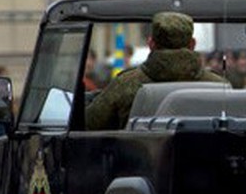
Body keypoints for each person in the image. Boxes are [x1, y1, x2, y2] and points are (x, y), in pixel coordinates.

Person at [86, 11, 224, 130]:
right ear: (192, 44)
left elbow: (88, 124)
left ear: (151, 44)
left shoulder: (125, 84)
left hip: (139, 159)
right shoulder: (219, 86)